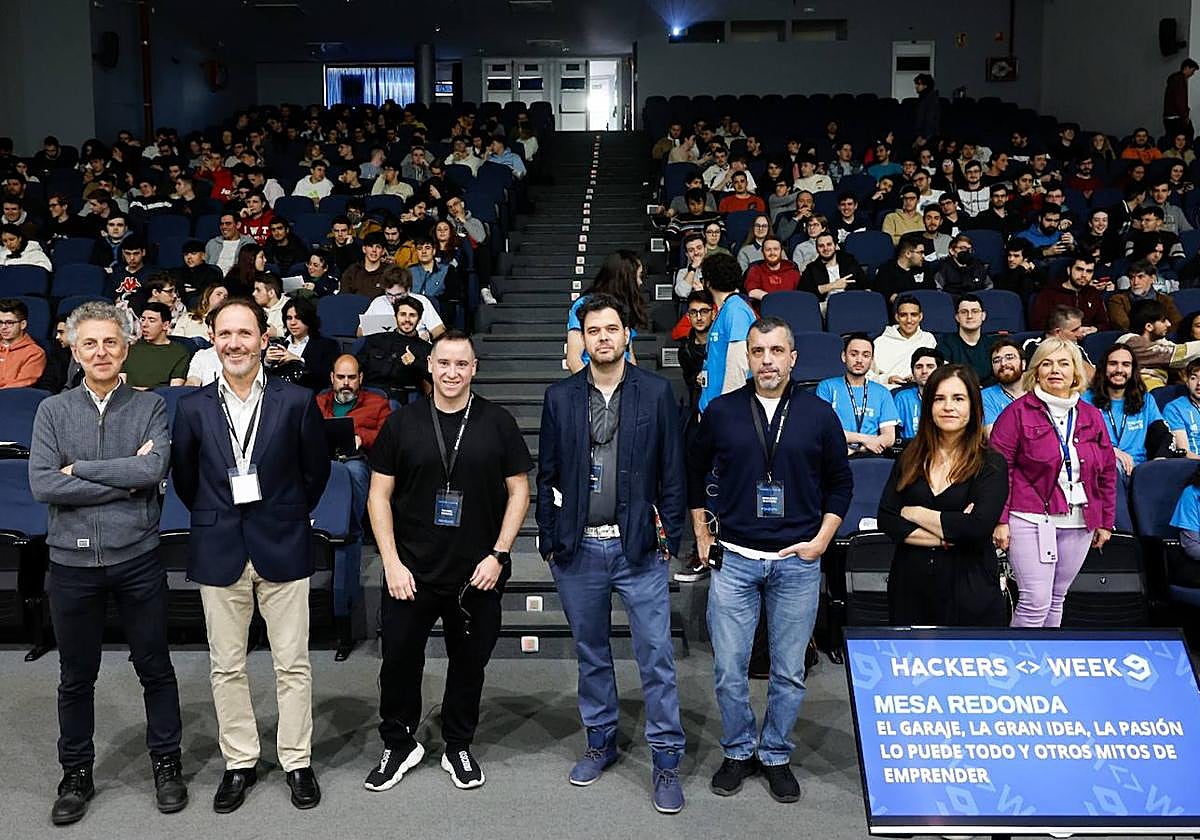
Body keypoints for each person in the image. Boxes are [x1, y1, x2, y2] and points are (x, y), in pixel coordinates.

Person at [170, 297, 331, 814]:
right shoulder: (193, 407)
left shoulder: (297, 401)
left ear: (265, 338)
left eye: (245, 333)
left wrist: (283, 513)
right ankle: (239, 761)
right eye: (225, 333)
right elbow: (186, 480)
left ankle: (296, 759)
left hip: (282, 542)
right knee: (226, 666)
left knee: (293, 663)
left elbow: (316, 473)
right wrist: (220, 516)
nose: (235, 343)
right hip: (219, 546)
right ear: (213, 339)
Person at [28, 301, 185, 825]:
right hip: (71, 567)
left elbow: (155, 469)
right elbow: (43, 483)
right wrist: (126, 476)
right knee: (76, 677)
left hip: (137, 559)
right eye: (90, 343)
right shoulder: (52, 411)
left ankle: (167, 762)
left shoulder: (151, 407)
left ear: (127, 347)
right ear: (74, 349)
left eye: (111, 342)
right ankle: (76, 772)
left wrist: (83, 472)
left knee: (155, 668)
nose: (101, 351)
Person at [687, 316, 852, 803]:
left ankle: (776, 752)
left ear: (793, 357)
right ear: (748, 358)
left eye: (777, 351)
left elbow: (841, 484)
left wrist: (822, 540)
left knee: (788, 669)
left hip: (797, 560)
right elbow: (693, 472)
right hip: (734, 558)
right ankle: (738, 749)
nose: (767, 360)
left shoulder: (819, 414)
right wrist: (701, 530)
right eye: (758, 351)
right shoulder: (721, 411)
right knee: (729, 668)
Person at [537, 294, 687, 813]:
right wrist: (552, 539)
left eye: (611, 329)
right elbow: (549, 475)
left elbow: (672, 472)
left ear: (628, 336)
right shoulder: (560, 398)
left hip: (638, 550)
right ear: (581, 339)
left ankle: (666, 760)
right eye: (593, 330)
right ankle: (600, 741)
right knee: (592, 654)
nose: (602, 337)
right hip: (579, 551)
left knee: (656, 657)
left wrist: (668, 541)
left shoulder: (656, 393)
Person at [365, 331, 531, 793]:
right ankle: (399, 743)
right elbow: (379, 495)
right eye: (443, 364)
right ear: (431, 367)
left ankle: (457, 743)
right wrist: (392, 563)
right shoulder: (403, 423)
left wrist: (499, 554)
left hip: (477, 573)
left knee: (468, 663)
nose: (452, 373)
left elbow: (519, 490)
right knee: (398, 661)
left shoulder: (497, 422)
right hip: (411, 572)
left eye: (461, 364)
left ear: (474, 368)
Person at [990, 338, 1117, 628]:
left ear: (1076, 372)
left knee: (1057, 597)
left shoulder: (1091, 415)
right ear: (1035, 371)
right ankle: (1021, 668)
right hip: (1029, 516)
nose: (1055, 370)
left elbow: (1107, 470)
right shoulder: (1016, 413)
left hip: (1079, 519)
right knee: (1035, 601)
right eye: (1046, 363)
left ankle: (1046, 667)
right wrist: (1000, 520)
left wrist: (1105, 521)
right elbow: (998, 470)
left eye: (1063, 363)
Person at [879, 364, 1009, 625]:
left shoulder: (991, 463)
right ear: (929, 406)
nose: (948, 406)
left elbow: (978, 528)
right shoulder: (909, 457)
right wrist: (950, 534)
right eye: (939, 399)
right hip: (910, 587)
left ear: (973, 406)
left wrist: (914, 513)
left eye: (958, 398)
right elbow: (888, 519)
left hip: (970, 589)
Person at [314, 355, 392, 659]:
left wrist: (364, 438)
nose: (346, 383)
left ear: (360, 378)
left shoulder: (377, 404)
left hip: (358, 463)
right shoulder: (317, 403)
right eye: (340, 377)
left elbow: (389, 438)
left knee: (352, 472)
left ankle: (347, 526)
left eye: (351, 378)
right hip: (321, 464)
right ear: (332, 377)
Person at [1082, 344, 1164, 475]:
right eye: (1113, 364)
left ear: (1133, 370)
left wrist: (1161, 459)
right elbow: (1082, 440)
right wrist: (1112, 451)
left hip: (1140, 471)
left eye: (1126, 364)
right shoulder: (1086, 399)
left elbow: (1162, 433)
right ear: (1103, 368)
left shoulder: (1146, 400)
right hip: (1103, 466)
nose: (1119, 369)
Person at [816, 333, 900, 455]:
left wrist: (859, 449)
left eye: (866, 355)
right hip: (835, 455)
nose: (859, 360)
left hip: (871, 455)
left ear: (871, 360)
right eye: (854, 354)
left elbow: (889, 437)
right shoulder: (827, 387)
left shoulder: (882, 392)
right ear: (844, 356)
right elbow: (825, 431)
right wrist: (865, 439)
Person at [565, 251, 647, 374]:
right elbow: (573, 360)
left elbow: (629, 355)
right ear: (626, 278)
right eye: (638, 276)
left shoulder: (623, 307)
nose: (640, 282)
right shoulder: (584, 305)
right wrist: (593, 390)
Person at [1118, 300, 1200, 390]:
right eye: (1163, 320)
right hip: (1135, 394)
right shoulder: (1130, 342)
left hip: (1157, 394)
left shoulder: (1160, 342)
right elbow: (1176, 355)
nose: (1169, 324)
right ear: (1149, 326)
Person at [264, 296, 338, 393]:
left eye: (298, 318)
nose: (293, 323)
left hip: (308, 397)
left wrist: (299, 361)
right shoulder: (279, 344)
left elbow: (327, 379)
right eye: (289, 318)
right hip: (277, 396)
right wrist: (267, 362)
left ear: (309, 319)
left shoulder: (326, 345)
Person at [870, 294, 937, 385]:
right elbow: (867, 376)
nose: (909, 320)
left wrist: (919, 376)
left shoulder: (928, 339)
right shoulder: (880, 342)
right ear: (897, 317)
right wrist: (887, 379)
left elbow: (938, 370)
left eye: (913, 315)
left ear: (920, 317)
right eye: (903, 315)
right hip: (889, 391)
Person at [121, 303, 190, 389]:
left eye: (151, 320)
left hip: (161, 399)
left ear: (165, 325)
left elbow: (174, 390)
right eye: (143, 319)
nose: (144, 324)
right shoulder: (131, 348)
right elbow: (120, 383)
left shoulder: (179, 352)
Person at [1106, 259, 1182, 333]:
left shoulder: (1165, 300)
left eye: (1140, 277)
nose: (1135, 282)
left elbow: (1176, 323)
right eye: (1132, 278)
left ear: (1153, 278)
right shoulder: (1118, 300)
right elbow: (1123, 325)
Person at [935, 294, 994, 385]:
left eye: (975, 311)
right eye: (964, 312)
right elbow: (944, 376)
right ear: (957, 317)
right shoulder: (945, 343)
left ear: (983, 316)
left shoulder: (993, 344)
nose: (969, 316)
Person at [893, 348, 946, 441]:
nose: (924, 371)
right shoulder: (902, 397)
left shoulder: (949, 397)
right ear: (912, 372)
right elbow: (895, 435)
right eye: (919, 367)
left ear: (940, 370)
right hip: (910, 450)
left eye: (930, 366)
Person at [982, 337, 1027, 434]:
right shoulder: (985, 396)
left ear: (1023, 364)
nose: (1003, 363)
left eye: (1010, 357)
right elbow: (994, 438)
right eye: (997, 360)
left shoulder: (1039, 391)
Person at [0, 297, 47, 388]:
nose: (3, 327)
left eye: (9, 323)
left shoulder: (35, 353)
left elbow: (19, 385)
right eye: (0, 322)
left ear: (23, 324)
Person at [1165, 359, 1200, 456]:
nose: (1199, 383)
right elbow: (1184, 453)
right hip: (1193, 466)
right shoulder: (1174, 409)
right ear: (1187, 382)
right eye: (1194, 378)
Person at [1165, 59, 1199, 140]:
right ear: (1187, 68)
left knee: (1175, 140)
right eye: (1192, 70)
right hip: (1176, 117)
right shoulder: (1179, 80)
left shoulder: (1175, 79)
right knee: (1186, 137)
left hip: (1172, 117)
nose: (1192, 74)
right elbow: (1179, 100)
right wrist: (1185, 117)